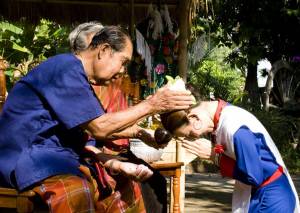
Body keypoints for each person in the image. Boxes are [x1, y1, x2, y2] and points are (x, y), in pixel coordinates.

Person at [0, 22, 194, 213]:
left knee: (119, 186)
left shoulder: (80, 78)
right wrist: (152, 105)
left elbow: (94, 131)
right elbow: (100, 128)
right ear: (103, 50)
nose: (122, 70)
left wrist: (137, 133)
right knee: (78, 192)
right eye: (123, 61)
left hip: (54, 156)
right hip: (25, 160)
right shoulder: (64, 68)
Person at [160, 99, 300, 212]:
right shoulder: (223, 115)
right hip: (261, 194)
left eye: (190, 134)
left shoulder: (235, 127)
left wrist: (215, 156)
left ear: (193, 117)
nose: (196, 136)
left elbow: (254, 175)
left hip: (272, 197)